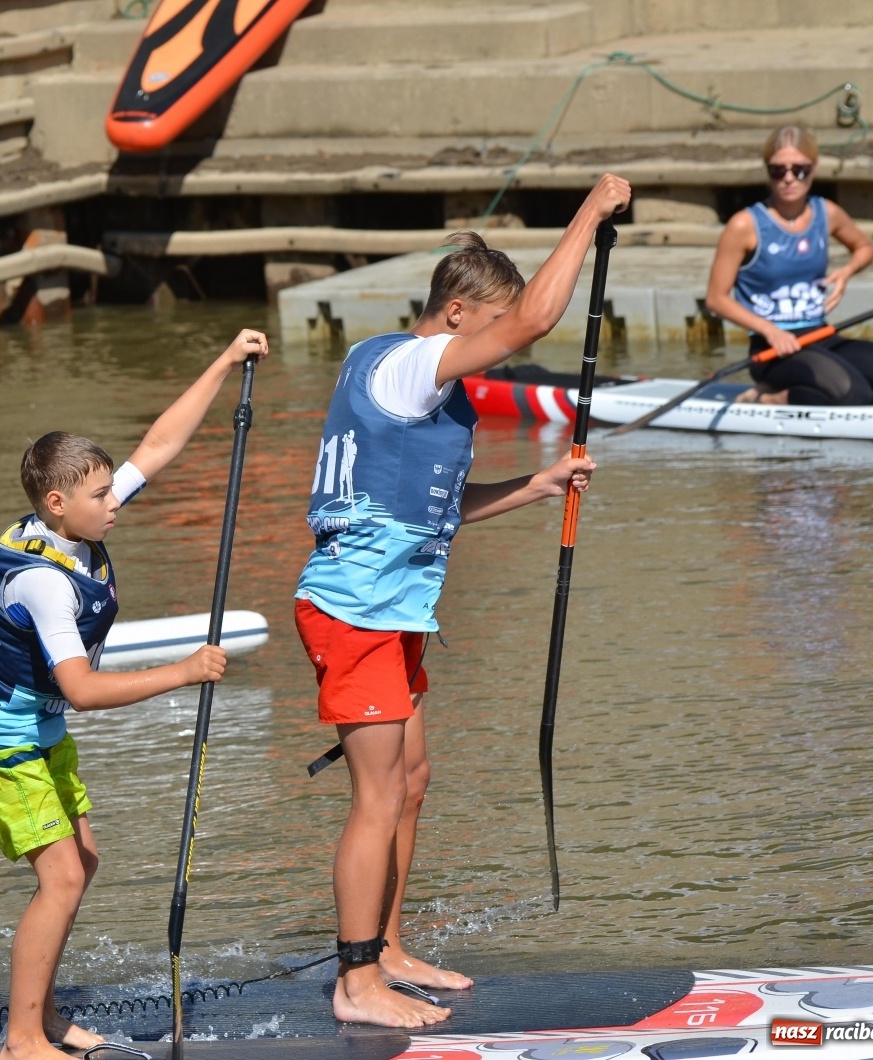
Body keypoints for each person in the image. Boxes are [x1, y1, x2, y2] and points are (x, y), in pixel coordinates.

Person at [295, 175, 629, 1029]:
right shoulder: (412, 365)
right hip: (353, 610)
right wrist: (588, 214)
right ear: (454, 316)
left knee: (410, 780)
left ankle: (391, 946)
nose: (501, 354)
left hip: (390, 611)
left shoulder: (392, 372)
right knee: (375, 796)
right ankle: (356, 980)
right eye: (490, 335)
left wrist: (539, 483)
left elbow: (436, 510)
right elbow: (537, 320)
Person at [0, 329, 266, 1060]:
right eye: (99, 495)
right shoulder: (45, 582)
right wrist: (184, 672)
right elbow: (83, 690)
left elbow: (156, 446)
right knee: (60, 878)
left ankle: (46, 1016)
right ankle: (21, 1040)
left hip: (36, 725)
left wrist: (223, 362)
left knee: (82, 862)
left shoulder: (72, 529)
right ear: (57, 503)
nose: (113, 501)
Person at [705, 124, 873, 406]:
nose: (788, 179)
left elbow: (865, 248)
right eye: (778, 170)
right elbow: (716, 299)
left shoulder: (827, 212)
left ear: (814, 167)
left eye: (799, 170)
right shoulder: (744, 225)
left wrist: (846, 272)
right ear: (767, 170)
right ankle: (769, 397)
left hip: (821, 336)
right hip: (773, 350)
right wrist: (770, 331)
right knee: (852, 392)